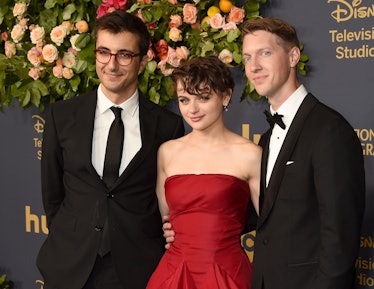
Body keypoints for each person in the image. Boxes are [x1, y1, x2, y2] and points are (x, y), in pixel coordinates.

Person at [36, 10, 184, 289]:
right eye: (104, 52)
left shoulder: (167, 126)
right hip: (70, 267)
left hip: (138, 269)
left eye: (124, 55)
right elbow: (52, 195)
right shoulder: (62, 115)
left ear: (142, 62)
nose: (112, 64)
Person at [241, 17, 365, 289]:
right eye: (247, 57)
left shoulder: (329, 130)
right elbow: (266, 216)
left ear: (293, 56)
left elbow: (340, 240)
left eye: (265, 53)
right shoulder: (265, 138)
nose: (254, 66)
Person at [146, 56, 262, 289]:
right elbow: (167, 220)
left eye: (204, 97)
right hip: (173, 274)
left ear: (226, 96)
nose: (193, 109)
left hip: (227, 274)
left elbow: (271, 228)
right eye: (184, 99)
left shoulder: (250, 154)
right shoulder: (167, 152)